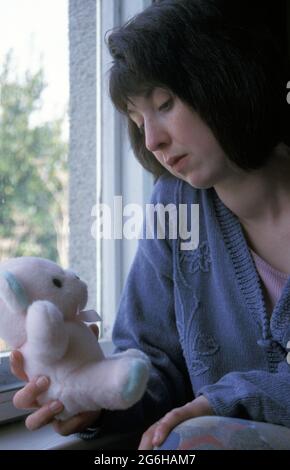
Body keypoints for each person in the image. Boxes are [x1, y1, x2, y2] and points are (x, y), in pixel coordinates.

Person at [10, 0, 290, 450]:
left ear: (227, 80)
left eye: (165, 103)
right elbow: (155, 366)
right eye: (137, 119)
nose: (152, 140)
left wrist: (223, 401)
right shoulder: (174, 205)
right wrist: (97, 397)